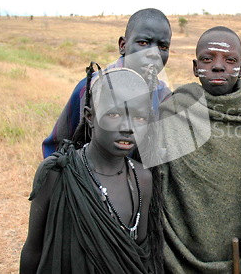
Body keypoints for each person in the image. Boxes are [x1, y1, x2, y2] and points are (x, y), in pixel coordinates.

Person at [20, 68, 163, 273]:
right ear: (89, 116)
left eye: (139, 118)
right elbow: (33, 249)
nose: (128, 127)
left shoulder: (142, 179)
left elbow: (141, 252)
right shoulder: (57, 173)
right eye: (114, 114)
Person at [158, 26, 241, 273]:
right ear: (194, 66)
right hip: (175, 250)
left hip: (236, 254)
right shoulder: (173, 110)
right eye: (207, 59)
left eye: (230, 60)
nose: (218, 67)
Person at [42, 8, 172, 158]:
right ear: (123, 45)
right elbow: (57, 146)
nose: (153, 53)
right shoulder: (92, 88)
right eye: (143, 42)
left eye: (163, 47)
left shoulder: (164, 97)